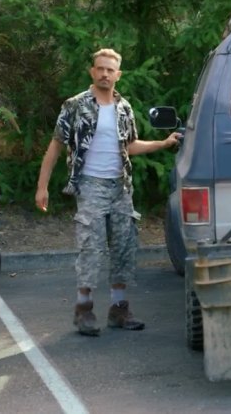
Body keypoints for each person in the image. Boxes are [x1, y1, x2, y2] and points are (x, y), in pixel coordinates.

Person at [35, 48, 182, 336]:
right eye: (100, 69)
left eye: (110, 70)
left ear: (118, 74)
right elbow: (55, 146)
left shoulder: (124, 108)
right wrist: (42, 187)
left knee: (125, 246)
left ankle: (119, 309)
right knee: (91, 246)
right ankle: (84, 310)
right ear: (92, 71)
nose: (104, 74)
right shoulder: (75, 105)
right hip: (90, 184)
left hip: (120, 186)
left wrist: (163, 143)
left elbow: (130, 145)